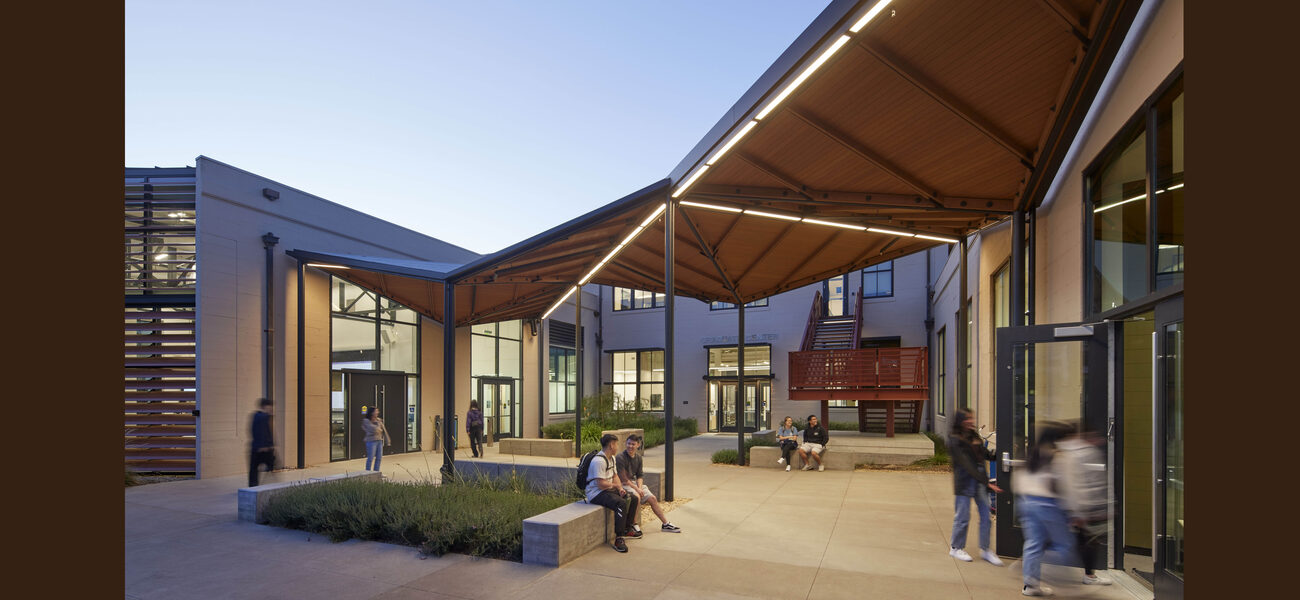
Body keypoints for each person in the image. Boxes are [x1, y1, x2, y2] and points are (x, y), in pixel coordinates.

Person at [1016, 421, 1078, 597]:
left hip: (1027, 501)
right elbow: (1065, 485)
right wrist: (1072, 510)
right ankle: (1051, 574)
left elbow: (1020, 479)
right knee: (1064, 544)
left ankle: (1031, 585)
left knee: (1033, 544)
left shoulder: (1033, 453)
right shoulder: (1059, 457)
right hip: (1048, 504)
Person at [1055, 424, 1113, 586]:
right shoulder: (1076, 454)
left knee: (1082, 540)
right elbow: (1074, 484)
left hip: (1073, 506)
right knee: (1085, 541)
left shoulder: (1064, 452)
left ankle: (1089, 575)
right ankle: (1089, 576)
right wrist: (1078, 511)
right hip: (1079, 507)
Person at [946, 408, 1004, 566]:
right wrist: (988, 483)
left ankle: (985, 549)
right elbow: (966, 464)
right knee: (963, 517)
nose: (971, 421)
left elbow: (985, 455)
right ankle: (956, 547)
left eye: (972, 418)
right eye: (968, 419)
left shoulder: (973, 435)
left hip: (979, 480)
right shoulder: (954, 439)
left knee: (986, 517)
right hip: (965, 482)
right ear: (960, 421)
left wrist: (1001, 451)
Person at [616, 434, 681, 534]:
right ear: (625, 443)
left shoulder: (638, 458)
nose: (630, 446)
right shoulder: (620, 457)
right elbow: (623, 479)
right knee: (637, 497)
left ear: (638, 445)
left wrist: (640, 487)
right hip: (623, 484)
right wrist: (637, 489)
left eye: (633, 444)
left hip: (634, 484)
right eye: (628, 443)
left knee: (653, 498)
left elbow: (639, 475)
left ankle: (665, 523)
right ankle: (633, 524)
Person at [586, 433, 638, 553]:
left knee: (632, 498)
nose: (618, 447)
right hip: (596, 493)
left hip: (607, 489)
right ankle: (618, 538)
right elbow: (600, 484)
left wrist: (620, 488)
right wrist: (615, 486)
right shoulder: (598, 461)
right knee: (620, 503)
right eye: (616, 444)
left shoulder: (612, 458)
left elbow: (615, 475)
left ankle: (627, 528)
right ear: (611, 445)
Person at [248, 398, 275, 487]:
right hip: (261, 449)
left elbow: (265, 432)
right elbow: (260, 432)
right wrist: (265, 445)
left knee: (254, 471)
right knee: (256, 470)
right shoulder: (262, 417)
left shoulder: (257, 416)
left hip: (258, 447)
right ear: (265, 406)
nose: (271, 408)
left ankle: (254, 488)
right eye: (270, 406)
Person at [361, 406, 391, 472]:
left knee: (379, 458)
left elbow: (383, 430)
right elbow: (373, 429)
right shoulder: (366, 421)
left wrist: (387, 439)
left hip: (379, 441)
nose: (378, 412)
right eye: (376, 411)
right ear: (372, 413)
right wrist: (378, 425)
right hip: (371, 441)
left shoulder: (379, 420)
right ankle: (367, 472)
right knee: (370, 458)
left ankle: (376, 472)